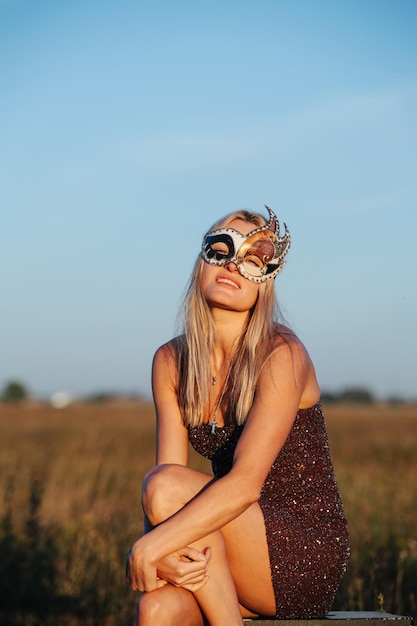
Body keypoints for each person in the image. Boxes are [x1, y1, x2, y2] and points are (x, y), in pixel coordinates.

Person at [126, 206, 350, 626]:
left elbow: (244, 484)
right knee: (155, 609)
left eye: (252, 258)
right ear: (202, 261)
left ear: (266, 282)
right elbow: (166, 490)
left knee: (165, 486)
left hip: (299, 553)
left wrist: (147, 550)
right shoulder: (171, 361)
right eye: (222, 248)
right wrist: (161, 552)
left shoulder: (281, 354)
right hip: (224, 541)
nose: (233, 264)